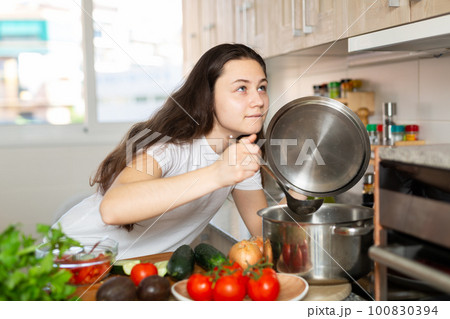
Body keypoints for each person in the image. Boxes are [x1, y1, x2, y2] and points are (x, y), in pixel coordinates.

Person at [54, 43, 272, 259]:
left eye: (261, 87)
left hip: (128, 272)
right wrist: (218, 173)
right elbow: (112, 209)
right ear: (208, 96)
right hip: (71, 257)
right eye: (242, 89)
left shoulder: (239, 155)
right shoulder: (169, 144)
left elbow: (264, 233)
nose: (258, 101)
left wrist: (299, 187)